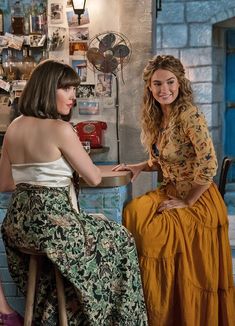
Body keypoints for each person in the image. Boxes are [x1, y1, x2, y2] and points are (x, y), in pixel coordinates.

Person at [0, 59, 148, 325]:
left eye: (74, 89)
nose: (73, 96)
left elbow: (5, 184)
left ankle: (56, 313)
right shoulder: (61, 129)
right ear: (46, 89)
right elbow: (92, 177)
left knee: (81, 244)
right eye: (66, 88)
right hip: (53, 229)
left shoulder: (14, 127)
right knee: (123, 239)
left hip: (19, 227)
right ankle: (116, 320)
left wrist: (37, 177)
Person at [113, 54, 235, 325]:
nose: (164, 89)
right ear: (149, 87)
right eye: (157, 84)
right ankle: (145, 308)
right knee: (133, 213)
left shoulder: (189, 115)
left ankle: (173, 312)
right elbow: (163, 159)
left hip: (198, 197)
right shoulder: (159, 116)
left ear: (180, 84)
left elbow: (209, 164)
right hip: (170, 190)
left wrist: (188, 201)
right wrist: (137, 166)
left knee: (153, 235)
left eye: (170, 82)